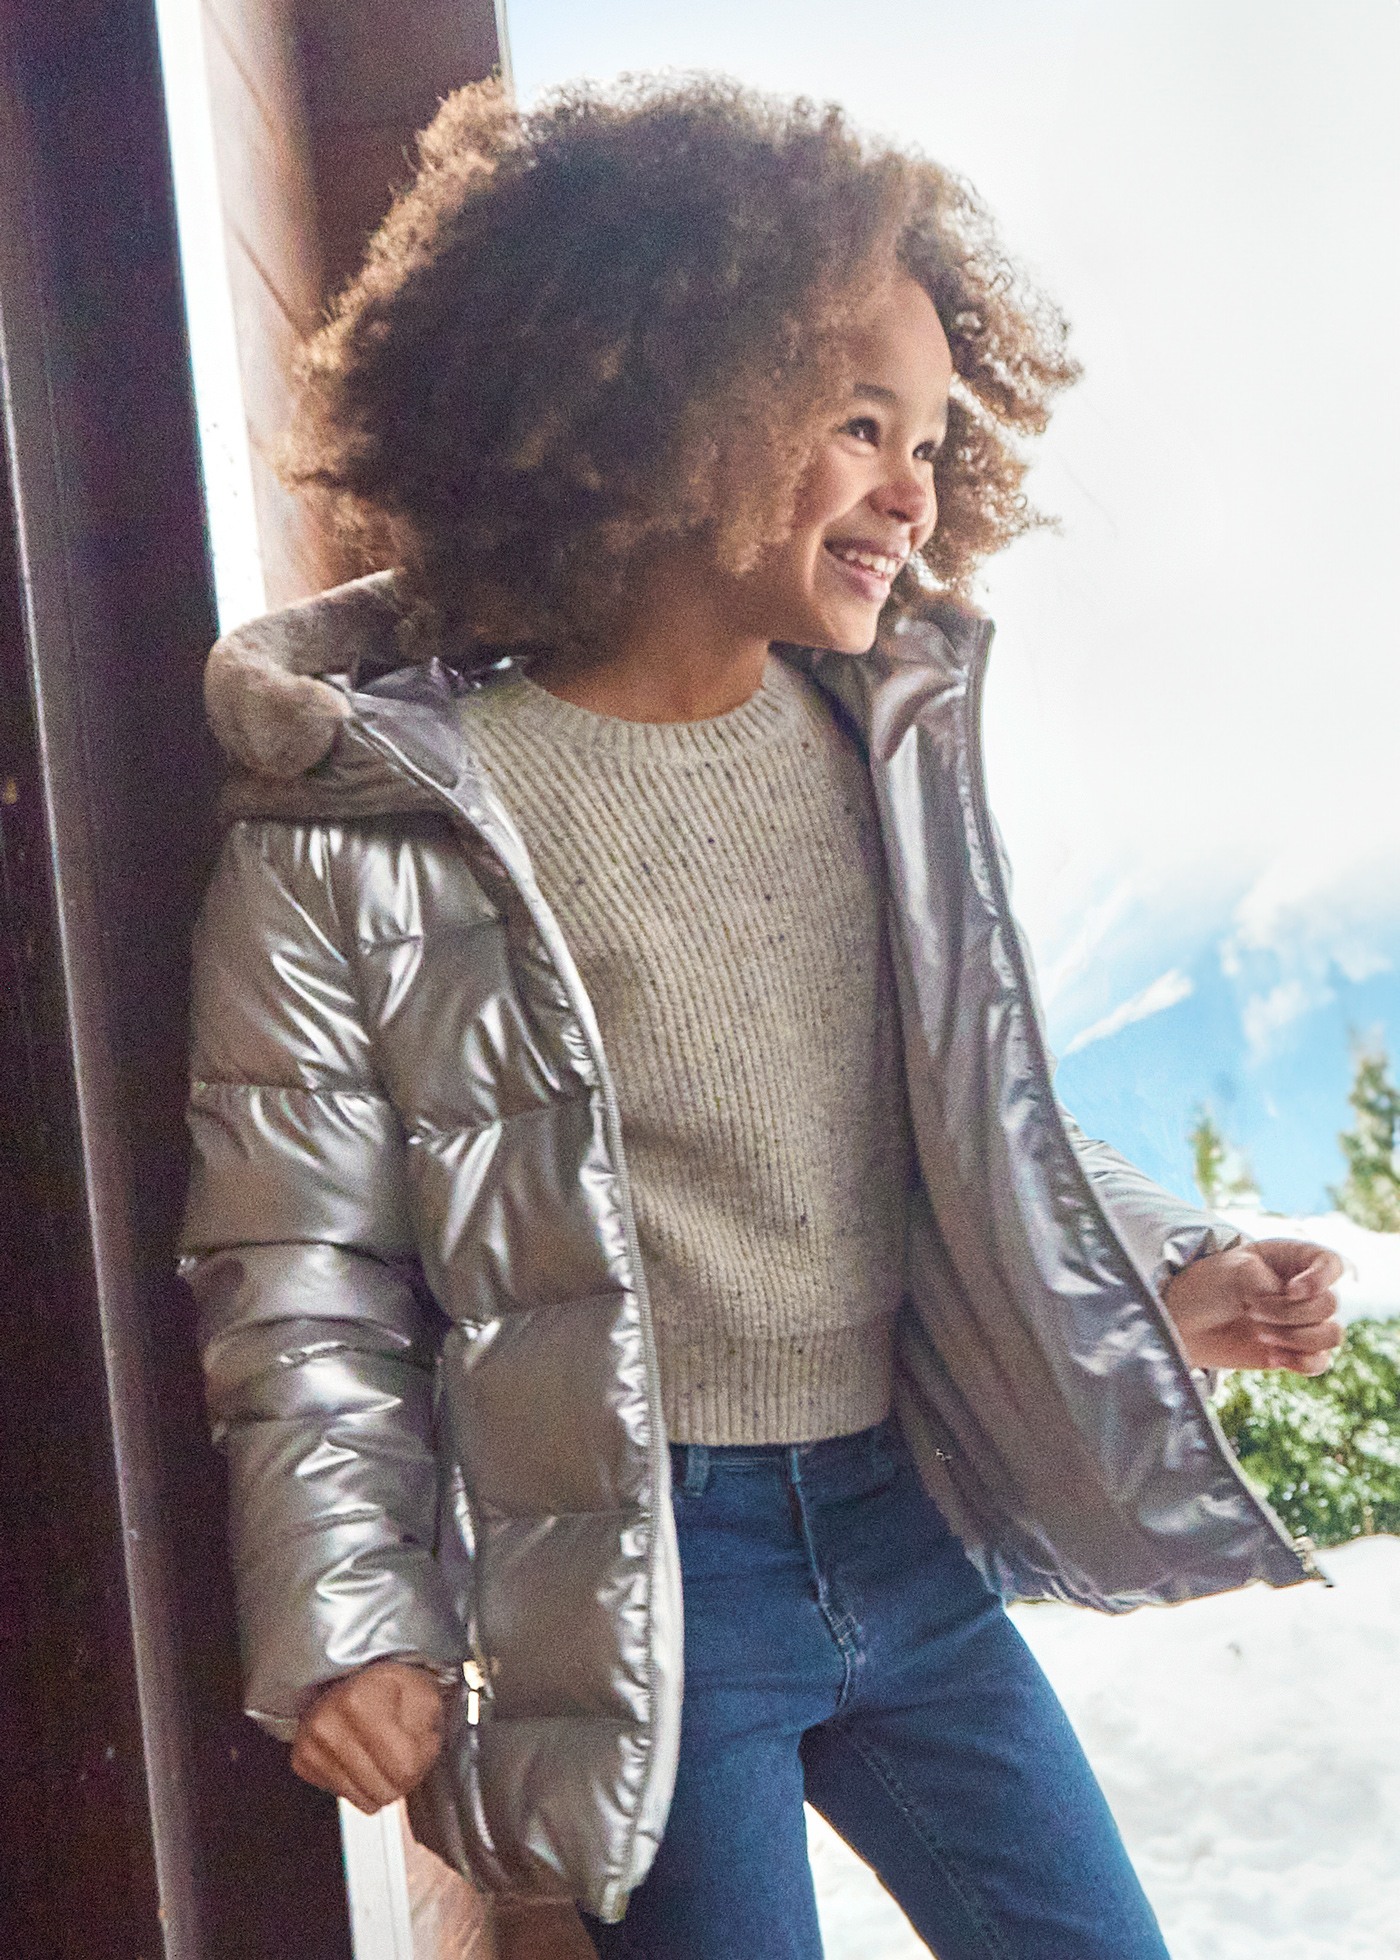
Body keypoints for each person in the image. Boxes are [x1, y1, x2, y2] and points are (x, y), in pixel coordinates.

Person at [183, 76, 1345, 1959]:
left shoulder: (870, 745)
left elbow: (974, 1111)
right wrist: (350, 1614)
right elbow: (293, 1261)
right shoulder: (376, 818)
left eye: (940, 440)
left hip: (906, 1528)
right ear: (660, 408)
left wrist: (1167, 1268)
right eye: (859, 425)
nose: (917, 489)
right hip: (641, 1581)